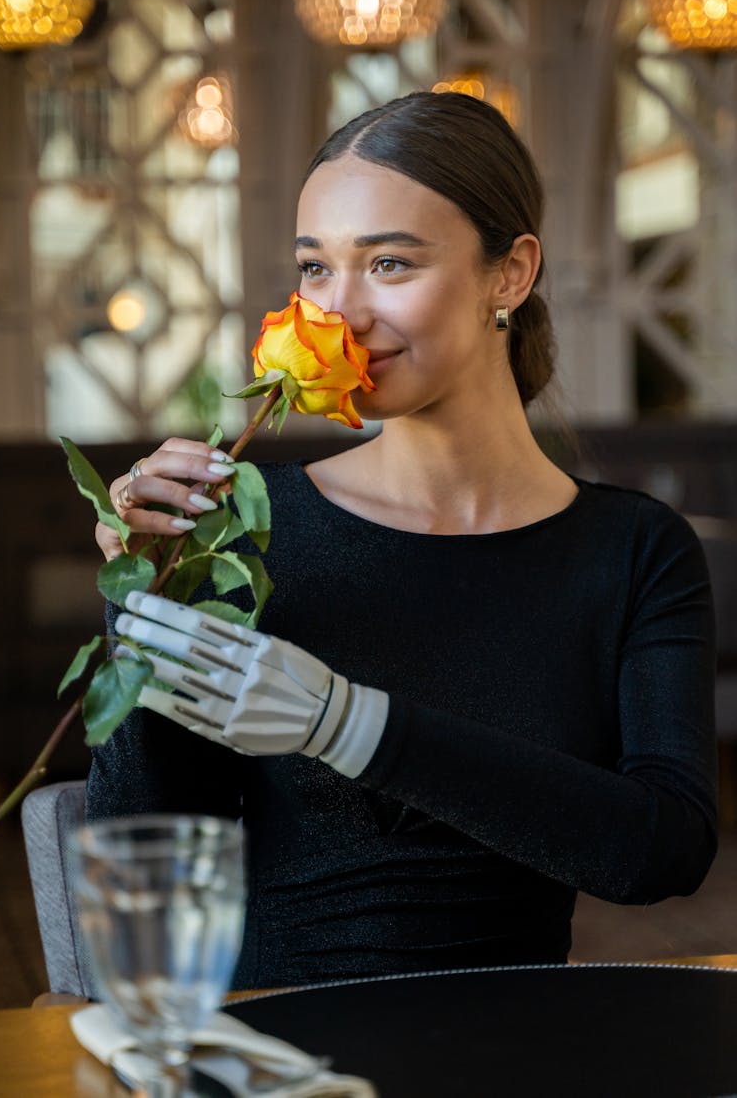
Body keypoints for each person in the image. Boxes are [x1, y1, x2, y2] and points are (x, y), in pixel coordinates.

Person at [89, 91, 717, 989]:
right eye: (314, 269)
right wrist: (140, 605)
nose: (337, 314)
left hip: (525, 1045)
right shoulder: (246, 528)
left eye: (388, 263)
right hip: (288, 1043)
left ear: (511, 274)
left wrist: (348, 723)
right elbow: (140, 844)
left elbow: (662, 851)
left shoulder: (635, 549)